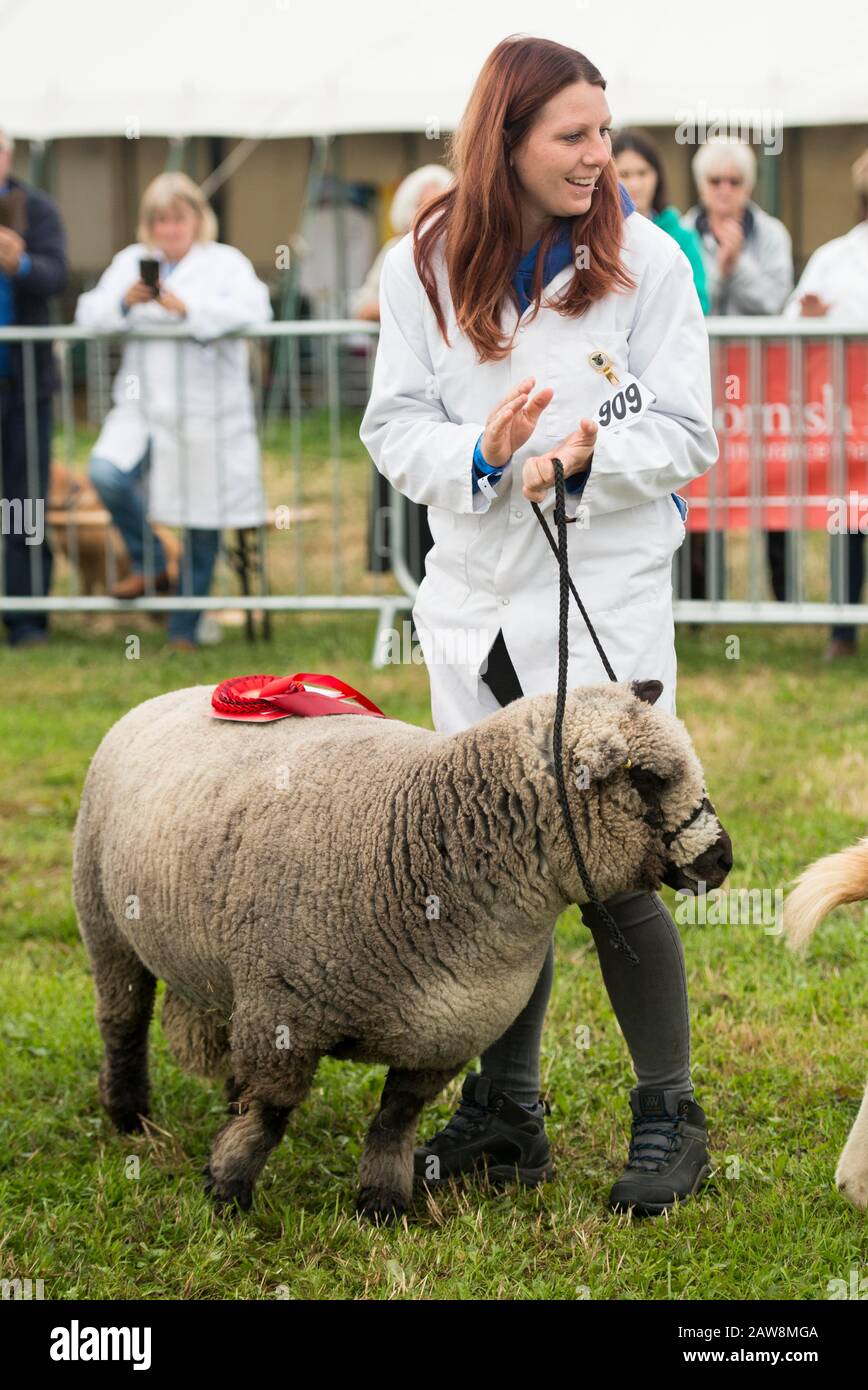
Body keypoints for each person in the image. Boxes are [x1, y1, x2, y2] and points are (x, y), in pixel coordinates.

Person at [360, 36, 719, 1216]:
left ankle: (668, 1112)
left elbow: (686, 431)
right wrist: (479, 453)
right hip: (475, 605)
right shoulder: (420, 261)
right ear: (504, 137)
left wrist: (585, 454)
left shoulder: (650, 262)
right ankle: (506, 1112)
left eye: (602, 132)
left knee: (614, 861)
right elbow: (392, 422)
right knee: (501, 868)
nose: (596, 154)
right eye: (571, 134)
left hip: (599, 597)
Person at [74, 172, 271, 649]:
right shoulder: (131, 263)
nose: (169, 228)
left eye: (178, 218)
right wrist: (124, 302)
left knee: (203, 519)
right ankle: (152, 561)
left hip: (208, 413)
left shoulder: (225, 264)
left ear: (197, 219)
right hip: (143, 407)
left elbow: (257, 312)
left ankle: (183, 630)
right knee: (106, 472)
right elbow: (88, 314)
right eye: (160, 220)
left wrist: (189, 311)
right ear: (149, 225)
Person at [683, 137, 795, 604]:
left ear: (749, 186)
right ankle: (701, 600)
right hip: (701, 382)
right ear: (701, 185)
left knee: (773, 485)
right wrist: (719, 274)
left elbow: (776, 300)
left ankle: (783, 597)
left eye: (735, 181)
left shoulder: (772, 234)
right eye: (715, 181)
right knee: (701, 485)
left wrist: (736, 266)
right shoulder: (683, 232)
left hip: (758, 388)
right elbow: (684, 301)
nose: (725, 190)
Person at [782, 148, 868, 660]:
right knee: (851, 517)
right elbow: (786, 322)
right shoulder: (836, 257)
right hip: (849, 420)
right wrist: (807, 317)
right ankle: (842, 630)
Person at [354, 165, 454, 584]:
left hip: (451, 394)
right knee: (406, 483)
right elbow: (362, 305)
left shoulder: (460, 246)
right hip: (406, 388)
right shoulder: (397, 253)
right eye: (422, 202)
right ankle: (411, 580)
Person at [0, 127, 67, 648]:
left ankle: (27, 619)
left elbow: (56, 276)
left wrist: (19, 264)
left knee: (24, 503)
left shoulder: (37, 210)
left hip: (24, 385)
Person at [612, 129, 708, 312]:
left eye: (642, 173)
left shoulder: (682, 237)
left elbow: (698, 301)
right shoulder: (596, 235)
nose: (635, 184)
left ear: (658, 176)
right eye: (624, 174)